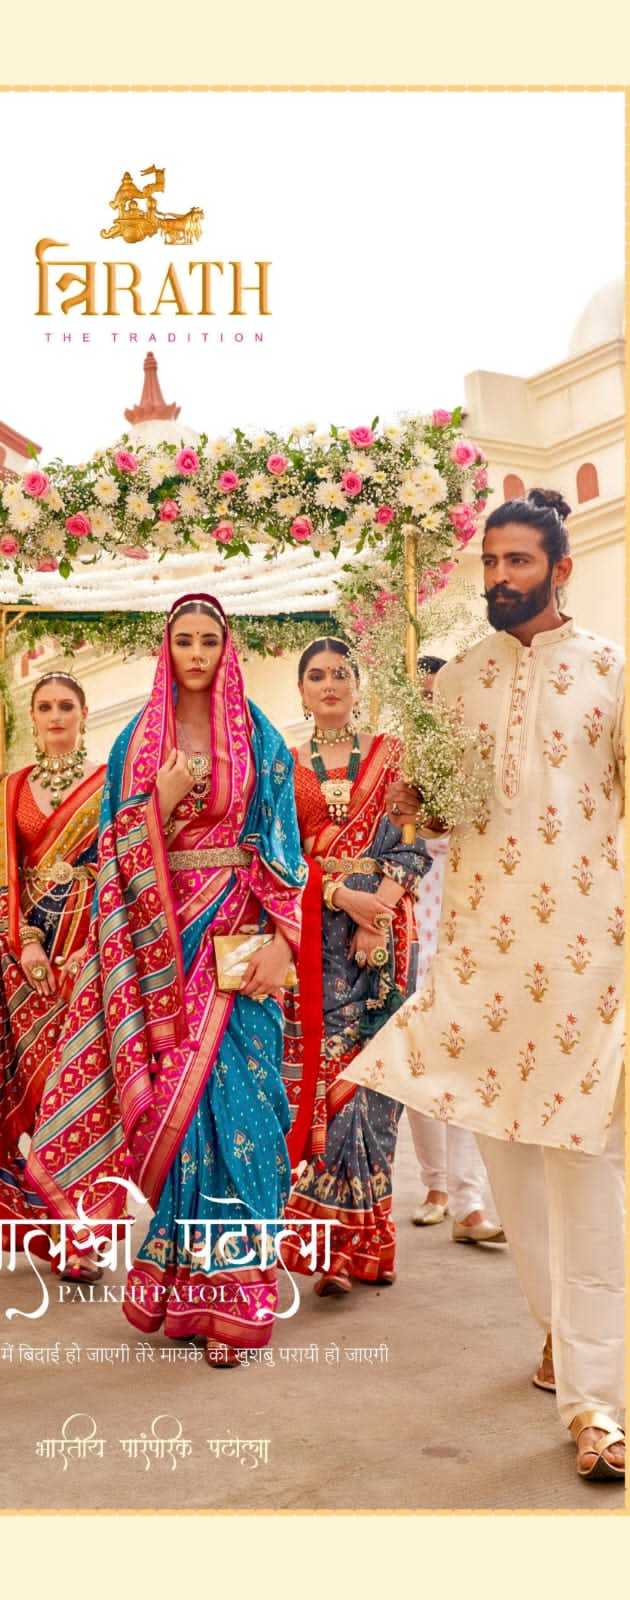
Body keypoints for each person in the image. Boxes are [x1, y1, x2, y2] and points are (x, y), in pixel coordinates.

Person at [344, 489, 625, 1482]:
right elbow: (430, 820)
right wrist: (409, 814)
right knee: (513, 1176)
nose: (500, 578)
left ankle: (598, 1403)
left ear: (560, 568)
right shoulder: (456, 682)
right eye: (490, 562)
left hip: (589, 964)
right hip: (484, 964)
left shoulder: (610, 670)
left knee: (586, 1173)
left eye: (518, 562)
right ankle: (559, 1337)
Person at [24, 595, 306, 1366]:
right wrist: (162, 802)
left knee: (244, 1110)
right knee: (180, 1119)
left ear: (228, 647)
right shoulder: (137, 740)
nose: (197, 653)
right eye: (184, 640)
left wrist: (284, 939)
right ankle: (187, 1290)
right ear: (167, 648)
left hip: (239, 936)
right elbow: (112, 848)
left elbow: (284, 840)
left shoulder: (260, 735)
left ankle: (238, 1294)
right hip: (161, 949)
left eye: (210, 640)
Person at [280, 637, 429, 1296]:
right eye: (316, 676)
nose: (329, 684)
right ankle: (334, 1249)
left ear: (357, 684)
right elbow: (280, 856)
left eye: (341, 673)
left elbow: (413, 841)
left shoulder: (394, 757)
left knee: (378, 1087)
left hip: (389, 936)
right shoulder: (285, 766)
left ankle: (373, 1240)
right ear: (302, 691)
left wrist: (380, 910)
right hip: (319, 936)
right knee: (330, 1081)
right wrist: (344, 897)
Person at [0, 671, 106, 1281]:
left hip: (92, 955)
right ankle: (48, 1221)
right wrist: (25, 945)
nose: (55, 716)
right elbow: (1, 874)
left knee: (84, 1092)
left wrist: (91, 948)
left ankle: (84, 1236)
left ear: (83, 713)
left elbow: (120, 869)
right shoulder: (12, 788)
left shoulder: (111, 782)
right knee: (41, 1087)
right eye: (45, 706)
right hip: (26, 959)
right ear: (32, 716)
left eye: (66, 706)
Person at [405, 656, 506, 1250]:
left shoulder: (475, 761)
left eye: (438, 694)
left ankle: (470, 1201)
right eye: (420, 696)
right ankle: (436, 1187)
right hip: (409, 919)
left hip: (466, 919)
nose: (430, 705)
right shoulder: (394, 764)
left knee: (464, 1059)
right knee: (421, 1059)